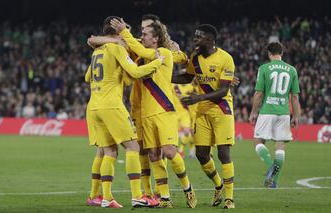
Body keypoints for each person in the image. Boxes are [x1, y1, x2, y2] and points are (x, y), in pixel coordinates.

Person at [110, 18, 197, 208]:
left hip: (164, 110)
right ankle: (165, 198)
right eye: (140, 34)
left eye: (145, 34)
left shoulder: (164, 53)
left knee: (170, 151)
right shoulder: (141, 60)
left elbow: (142, 49)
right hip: (145, 115)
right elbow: (134, 55)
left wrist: (125, 31)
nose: (141, 36)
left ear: (156, 38)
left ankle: (187, 187)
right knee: (154, 156)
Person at [86, 16, 163, 208]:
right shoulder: (117, 47)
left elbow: (88, 76)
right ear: (117, 32)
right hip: (111, 105)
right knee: (132, 147)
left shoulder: (97, 51)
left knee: (109, 150)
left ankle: (106, 198)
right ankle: (138, 196)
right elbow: (136, 73)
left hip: (93, 106)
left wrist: (119, 73)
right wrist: (157, 62)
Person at [172, 24, 236, 209]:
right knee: (201, 154)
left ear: (209, 39)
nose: (195, 40)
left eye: (199, 37)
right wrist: (164, 75)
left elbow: (224, 90)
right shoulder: (195, 57)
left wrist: (199, 97)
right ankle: (219, 185)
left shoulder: (226, 58)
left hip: (222, 108)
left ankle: (230, 199)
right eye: (195, 36)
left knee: (223, 152)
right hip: (202, 110)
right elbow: (186, 77)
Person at [249, 42, 300, 188]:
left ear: (269, 54)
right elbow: (294, 97)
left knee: (258, 141)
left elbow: (259, 93)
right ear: (281, 53)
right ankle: (274, 181)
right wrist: (295, 116)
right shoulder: (292, 70)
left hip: (267, 111)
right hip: (284, 113)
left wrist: (253, 112)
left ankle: (270, 166)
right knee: (280, 145)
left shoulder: (264, 68)